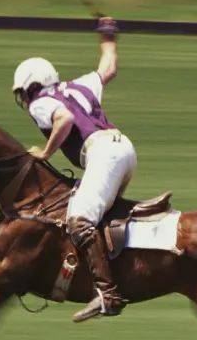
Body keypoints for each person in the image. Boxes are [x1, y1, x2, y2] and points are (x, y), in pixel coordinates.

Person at [11, 16, 135, 322]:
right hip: (124, 149)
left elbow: (64, 119)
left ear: (34, 87)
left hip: (102, 153)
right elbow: (109, 67)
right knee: (100, 220)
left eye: (23, 93)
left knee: (79, 220)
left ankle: (108, 294)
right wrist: (108, 33)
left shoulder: (42, 101)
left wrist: (45, 152)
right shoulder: (80, 85)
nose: (24, 100)